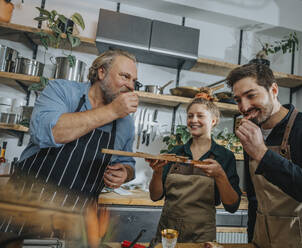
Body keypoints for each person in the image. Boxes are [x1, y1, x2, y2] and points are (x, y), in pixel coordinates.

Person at [1, 50, 138, 234]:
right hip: (24, 209)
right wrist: (112, 111)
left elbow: (127, 163)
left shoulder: (125, 122)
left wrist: (124, 173)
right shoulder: (62, 90)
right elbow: (49, 132)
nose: (130, 86)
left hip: (75, 222)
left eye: (134, 81)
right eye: (125, 77)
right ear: (101, 72)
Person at [227, 63, 302, 247]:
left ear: (273, 90)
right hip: (267, 240)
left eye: (251, 95)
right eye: (237, 100)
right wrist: (253, 240)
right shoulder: (252, 134)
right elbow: (255, 199)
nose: (243, 107)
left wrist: (262, 153)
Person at [146, 94, 242, 243]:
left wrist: (220, 175)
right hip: (168, 232)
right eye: (190, 116)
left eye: (200, 116)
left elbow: (232, 206)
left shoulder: (224, 156)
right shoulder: (175, 153)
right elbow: (155, 196)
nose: (194, 120)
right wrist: (157, 172)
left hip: (202, 235)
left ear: (213, 121)